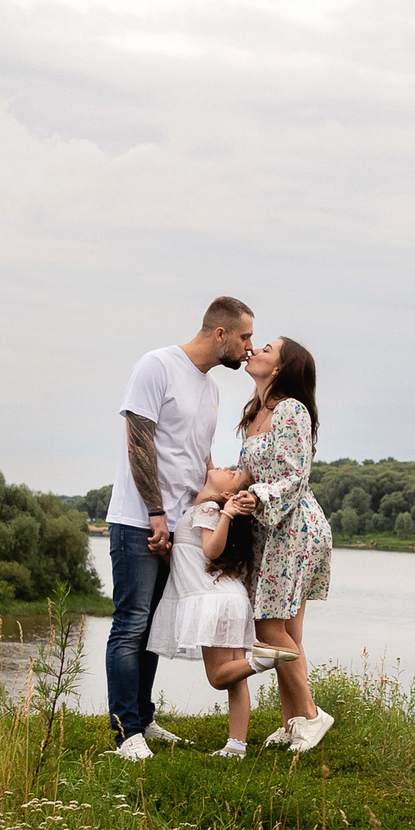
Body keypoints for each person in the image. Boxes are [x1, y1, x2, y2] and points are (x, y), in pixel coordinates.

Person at [105, 295, 256, 760]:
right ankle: (125, 732)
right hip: (139, 520)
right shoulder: (157, 366)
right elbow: (138, 442)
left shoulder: (211, 387)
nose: (249, 348)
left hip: (181, 529)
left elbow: (200, 460)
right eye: (245, 337)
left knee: (151, 626)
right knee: (131, 624)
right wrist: (155, 512)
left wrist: (221, 496)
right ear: (220, 334)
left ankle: (143, 721)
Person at [144, 467, 298, 757]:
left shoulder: (208, 509)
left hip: (213, 602)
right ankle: (236, 746)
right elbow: (192, 561)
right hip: (231, 599)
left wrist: (226, 512)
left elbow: (211, 551)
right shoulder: (204, 509)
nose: (228, 468)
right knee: (234, 680)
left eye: (234, 473)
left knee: (218, 677)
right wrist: (167, 553)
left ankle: (263, 659)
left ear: (229, 493)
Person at [238, 336, 333, 752]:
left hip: (292, 527)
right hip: (268, 529)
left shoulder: (290, 410)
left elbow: (294, 475)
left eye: (266, 349)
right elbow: (246, 473)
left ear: (279, 368)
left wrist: (257, 497)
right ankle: (292, 721)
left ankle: (312, 715)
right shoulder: (255, 414)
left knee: (268, 626)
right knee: (287, 630)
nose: (255, 349)